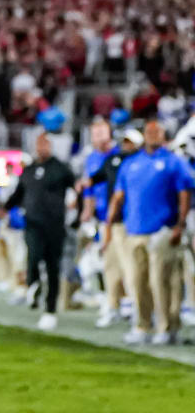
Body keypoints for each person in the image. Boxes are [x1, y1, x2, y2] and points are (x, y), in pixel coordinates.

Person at [105, 119, 193, 345]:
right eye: (150, 131)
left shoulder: (174, 162)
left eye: (158, 131)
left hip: (162, 230)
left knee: (161, 282)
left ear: (164, 135)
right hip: (134, 229)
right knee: (137, 281)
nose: (154, 135)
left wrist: (179, 225)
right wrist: (110, 223)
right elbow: (118, 195)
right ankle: (142, 326)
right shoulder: (131, 163)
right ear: (144, 134)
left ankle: (167, 327)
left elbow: (184, 195)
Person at [3, 131, 77, 331]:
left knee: (53, 267)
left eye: (45, 144)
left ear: (51, 146)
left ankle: (50, 309)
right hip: (33, 223)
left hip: (55, 225)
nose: (41, 148)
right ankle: (33, 284)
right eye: (39, 144)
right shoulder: (28, 170)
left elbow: (76, 188)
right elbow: (19, 194)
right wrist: (4, 208)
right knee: (33, 256)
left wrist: (79, 206)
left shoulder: (61, 169)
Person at [86, 125, 135, 327]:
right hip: (108, 220)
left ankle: (133, 305)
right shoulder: (105, 160)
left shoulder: (131, 161)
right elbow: (92, 182)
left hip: (128, 221)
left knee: (130, 266)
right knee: (109, 264)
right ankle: (113, 304)